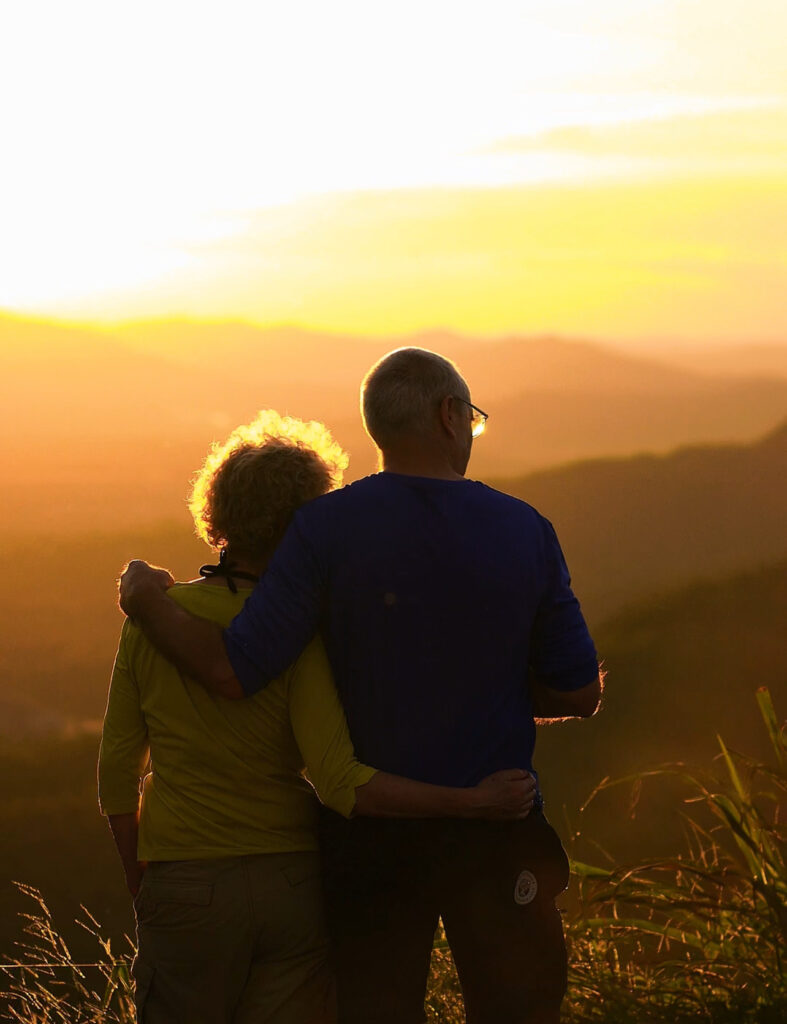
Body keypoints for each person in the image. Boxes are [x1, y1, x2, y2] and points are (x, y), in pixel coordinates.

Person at [119, 348, 602, 1024]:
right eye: (472, 420)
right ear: (450, 414)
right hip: (496, 829)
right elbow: (579, 694)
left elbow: (231, 669)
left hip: (371, 846)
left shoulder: (322, 529)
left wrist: (147, 602)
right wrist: (489, 680)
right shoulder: (524, 528)